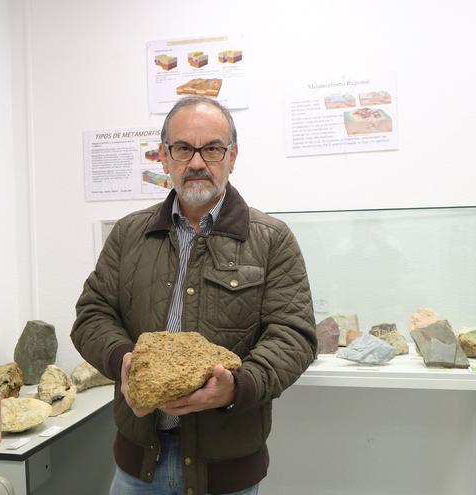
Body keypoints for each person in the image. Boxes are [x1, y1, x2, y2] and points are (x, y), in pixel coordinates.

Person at [71, 96, 317, 495]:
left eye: (213, 148)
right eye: (184, 148)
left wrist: (238, 386)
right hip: (138, 467)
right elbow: (92, 316)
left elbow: (294, 336)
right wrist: (126, 364)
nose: (198, 162)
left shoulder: (272, 240)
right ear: (164, 158)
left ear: (232, 156)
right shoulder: (129, 234)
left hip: (226, 471)